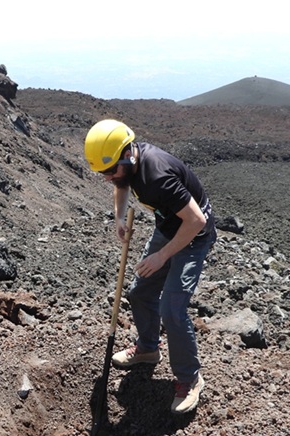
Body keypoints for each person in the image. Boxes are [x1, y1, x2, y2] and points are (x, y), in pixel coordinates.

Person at [84, 119, 217, 414]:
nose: (106, 178)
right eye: (101, 173)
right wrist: (119, 217)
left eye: (109, 171)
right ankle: (148, 349)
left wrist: (162, 256)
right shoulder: (127, 166)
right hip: (169, 229)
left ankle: (189, 379)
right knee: (140, 292)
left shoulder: (157, 175)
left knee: (172, 308)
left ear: (128, 155)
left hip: (193, 236)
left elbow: (197, 221)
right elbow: (121, 184)